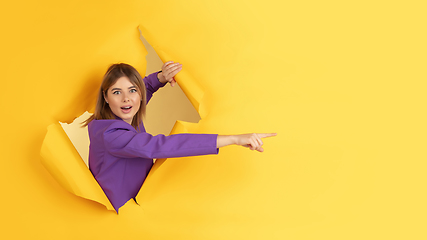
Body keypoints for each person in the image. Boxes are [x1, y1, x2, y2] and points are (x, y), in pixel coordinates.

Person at [82, 61, 277, 212]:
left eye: (132, 90)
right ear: (106, 98)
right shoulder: (110, 135)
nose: (126, 98)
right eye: (117, 92)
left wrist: (159, 78)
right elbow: (159, 146)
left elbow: (142, 93)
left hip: (141, 207)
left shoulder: (124, 116)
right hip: (118, 221)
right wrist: (233, 139)